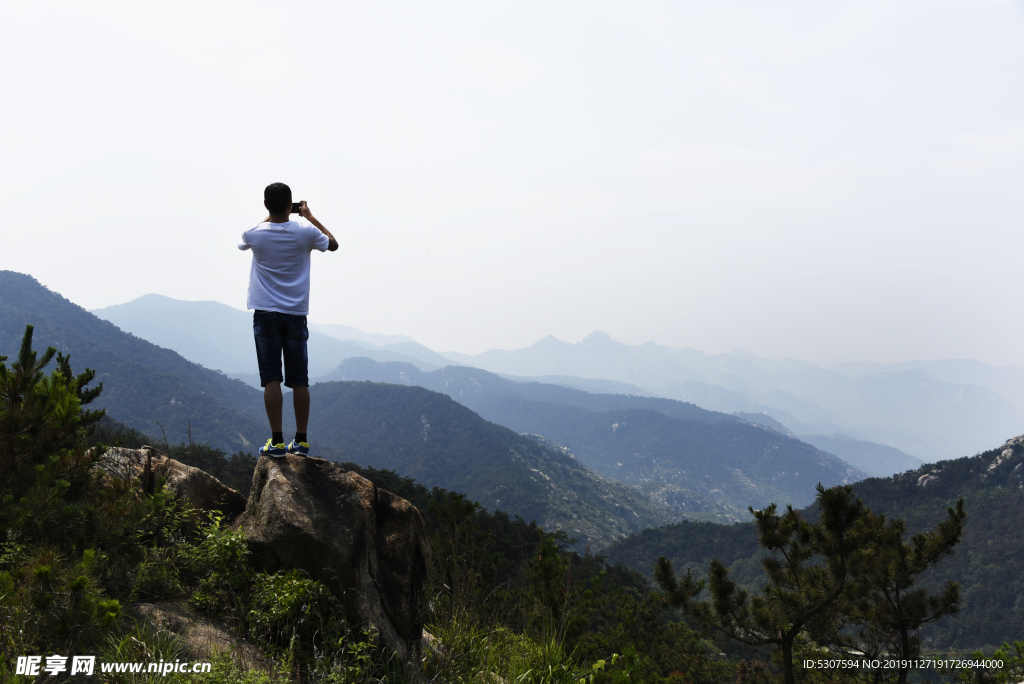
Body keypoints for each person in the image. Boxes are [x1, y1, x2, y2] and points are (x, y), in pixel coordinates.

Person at [238, 182, 338, 458]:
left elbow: (243, 241)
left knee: (271, 378)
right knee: (299, 380)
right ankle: (302, 441)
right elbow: (333, 244)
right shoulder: (305, 232)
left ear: (266, 206)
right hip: (295, 314)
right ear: (292, 204)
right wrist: (309, 216)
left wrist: (271, 215)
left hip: (265, 314)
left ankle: (278, 442)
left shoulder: (255, 234)